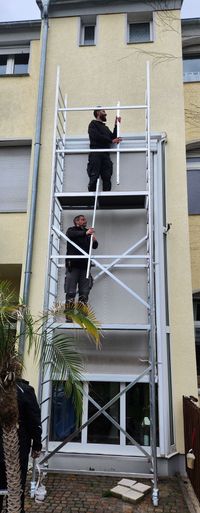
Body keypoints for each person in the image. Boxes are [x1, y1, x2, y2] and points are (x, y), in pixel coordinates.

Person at [0, 378, 42, 513]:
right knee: (16, 482)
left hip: (16, 444)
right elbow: (34, 420)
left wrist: (36, 443)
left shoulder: (23, 390)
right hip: (19, 445)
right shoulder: (25, 390)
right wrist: (37, 445)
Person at [64, 215, 98, 310]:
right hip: (73, 266)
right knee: (71, 291)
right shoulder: (71, 230)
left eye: (85, 219)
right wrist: (86, 232)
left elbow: (95, 246)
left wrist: (94, 240)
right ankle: (69, 314)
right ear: (76, 222)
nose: (85, 221)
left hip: (85, 266)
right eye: (82, 219)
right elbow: (71, 235)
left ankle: (81, 315)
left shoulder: (87, 233)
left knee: (84, 292)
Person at [87, 108, 122, 191]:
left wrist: (116, 124)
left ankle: (106, 200)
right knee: (94, 176)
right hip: (96, 153)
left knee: (107, 177)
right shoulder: (93, 124)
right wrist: (111, 140)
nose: (105, 114)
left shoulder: (105, 128)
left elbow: (113, 137)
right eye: (103, 112)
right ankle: (92, 199)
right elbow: (95, 136)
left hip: (105, 155)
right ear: (98, 113)